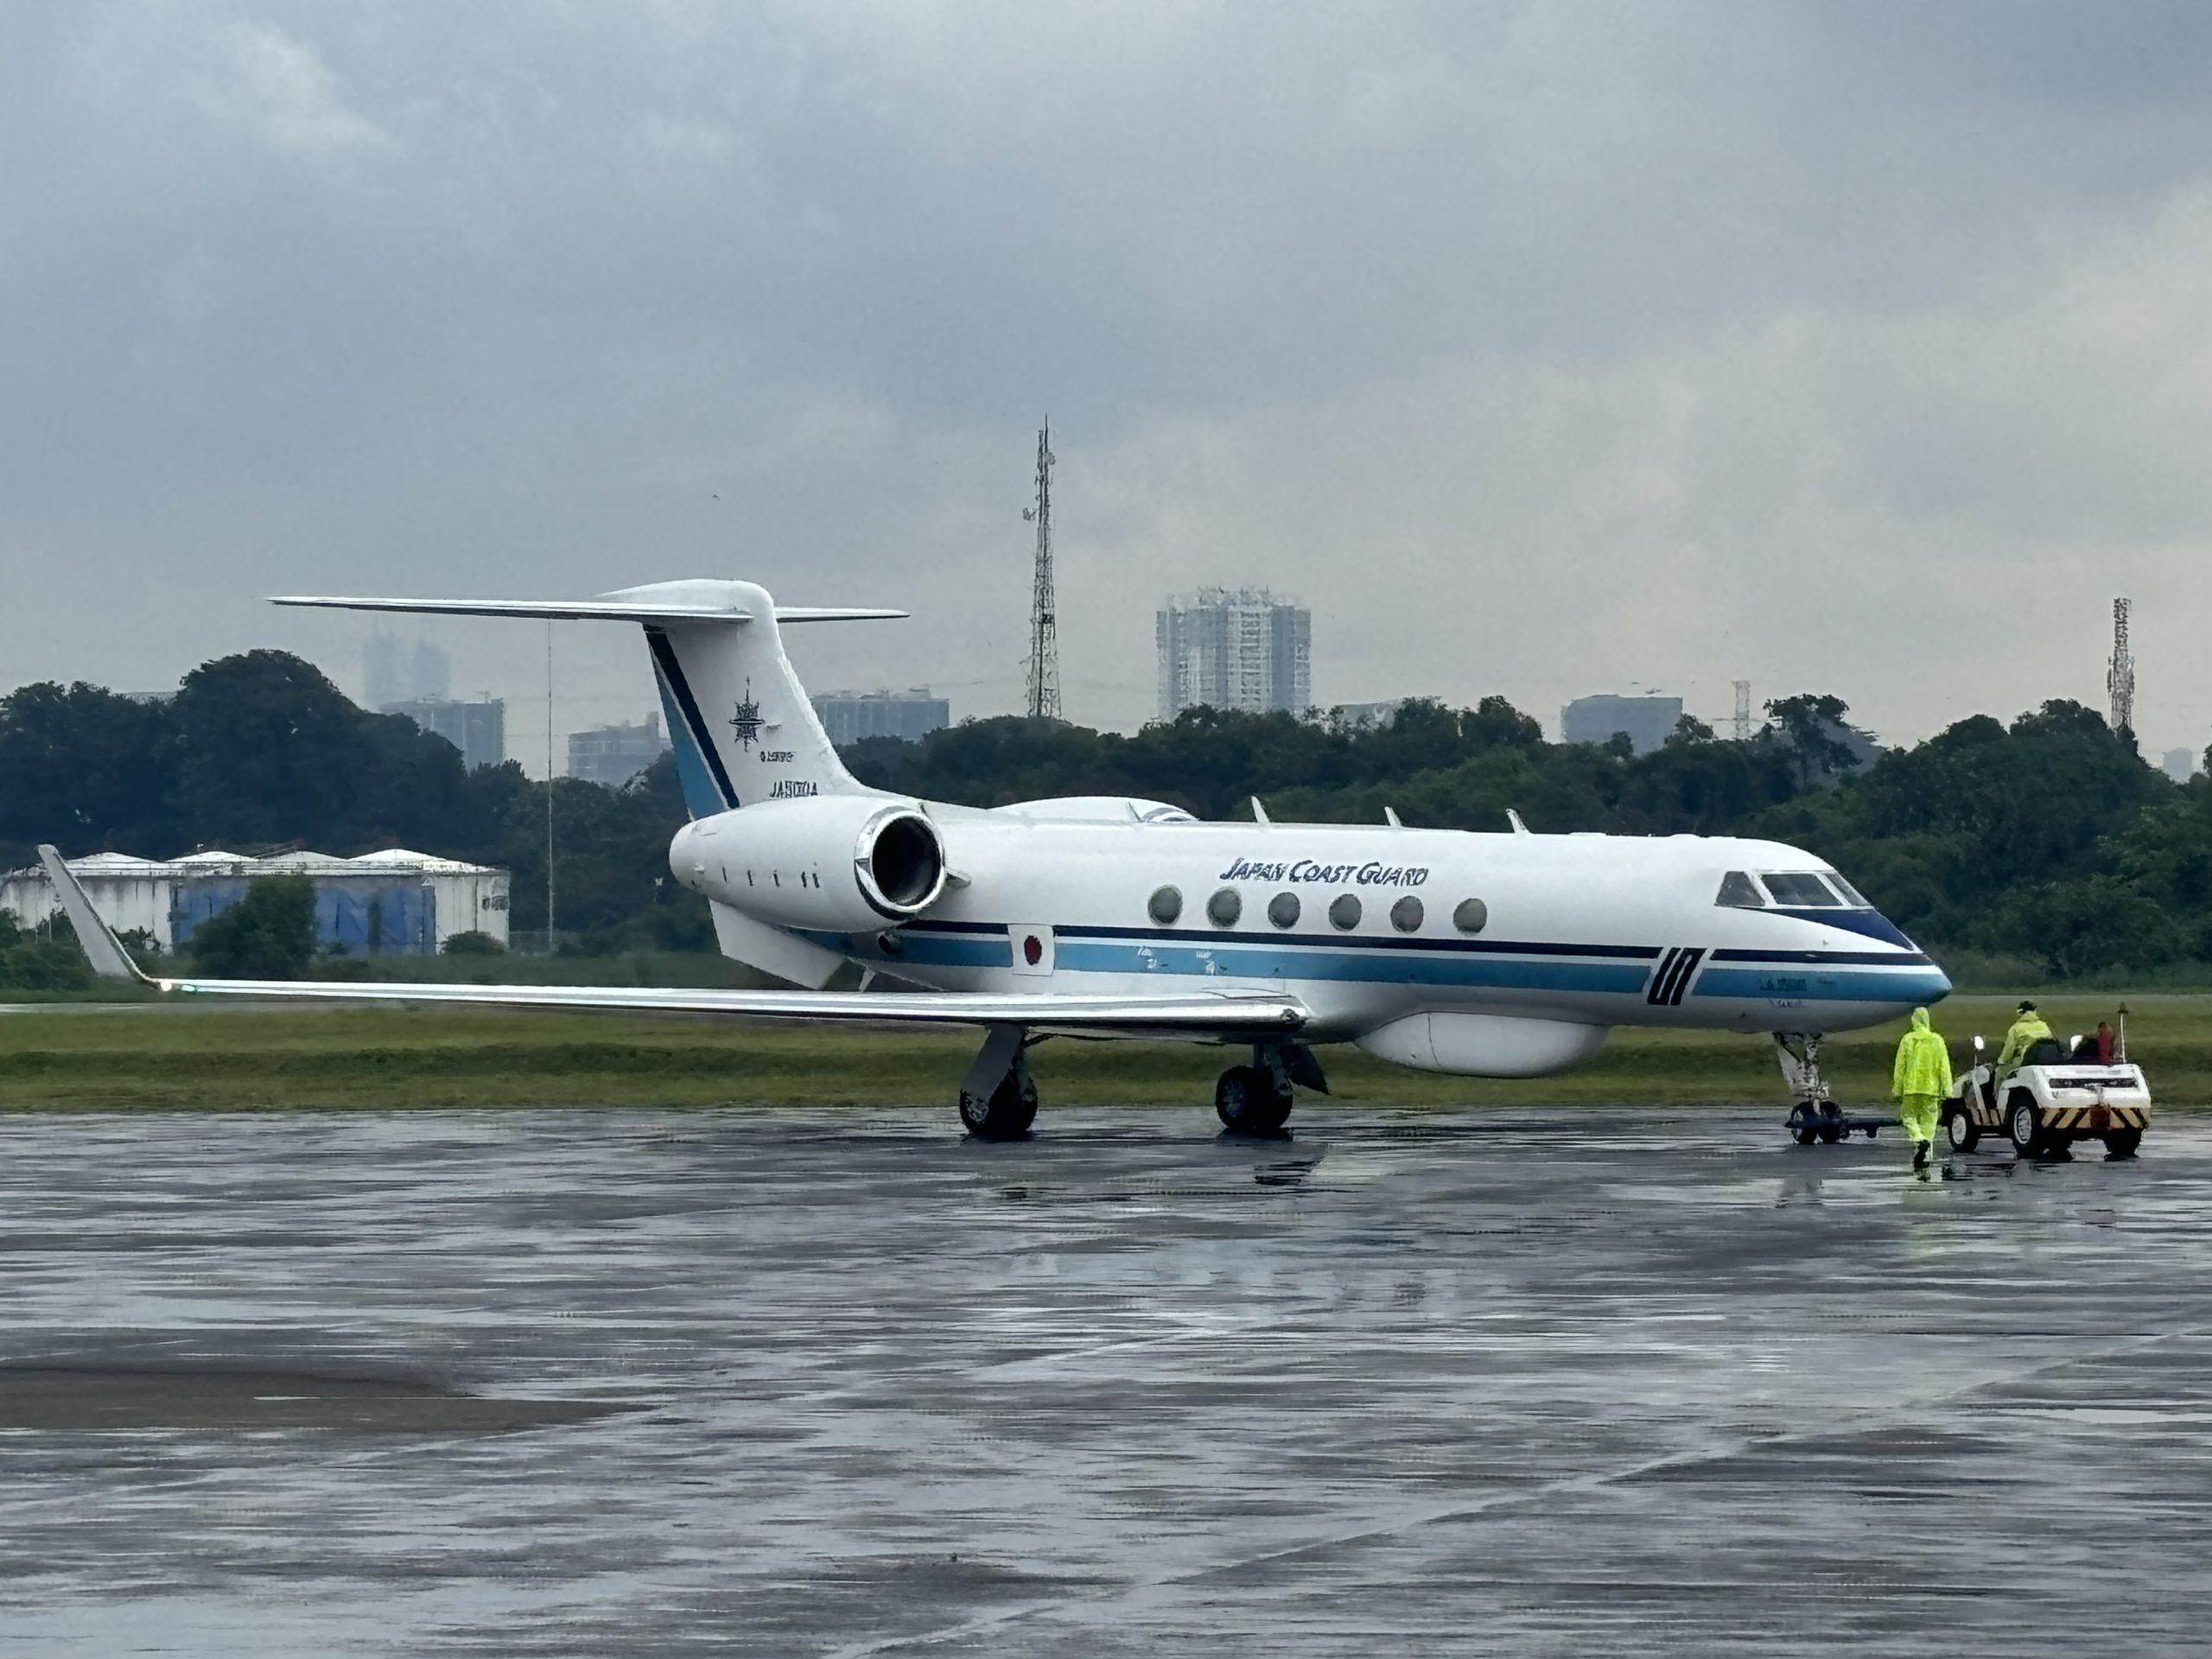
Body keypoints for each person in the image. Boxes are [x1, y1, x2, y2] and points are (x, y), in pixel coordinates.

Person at [1891, 1007, 1955, 1170]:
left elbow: (1900, 1067)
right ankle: (1926, 1155)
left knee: (1908, 1116)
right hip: (1931, 1088)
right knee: (1930, 1121)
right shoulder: (1937, 1040)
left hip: (1911, 1087)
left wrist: (1897, 1089)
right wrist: (1948, 1089)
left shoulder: (1907, 1040)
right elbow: (1944, 1067)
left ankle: (1918, 1139)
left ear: (1913, 1020)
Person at [1995, 1001, 2054, 1075]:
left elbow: (2009, 1048)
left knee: (2001, 1072)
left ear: (2020, 1012)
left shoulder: (2015, 1028)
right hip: (2048, 1059)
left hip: (2026, 1059)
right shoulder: (2044, 1025)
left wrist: (2001, 1062)